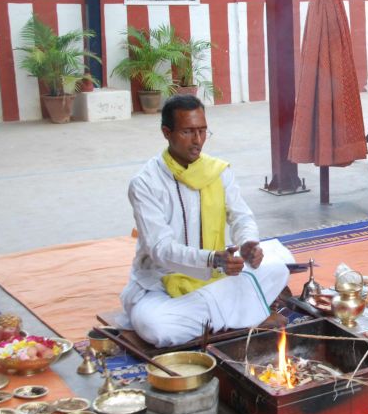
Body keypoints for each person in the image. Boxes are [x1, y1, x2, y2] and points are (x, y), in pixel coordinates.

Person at [117, 95, 290, 347]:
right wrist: (211, 260)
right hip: (161, 283)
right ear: (167, 133)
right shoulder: (145, 183)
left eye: (202, 131)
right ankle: (244, 311)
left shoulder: (217, 171)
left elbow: (241, 216)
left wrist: (248, 243)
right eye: (188, 132)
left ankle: (225, 311)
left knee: (279, 269)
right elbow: (160, 249)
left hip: (217, 275)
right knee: (156, 327)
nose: (197, 140)